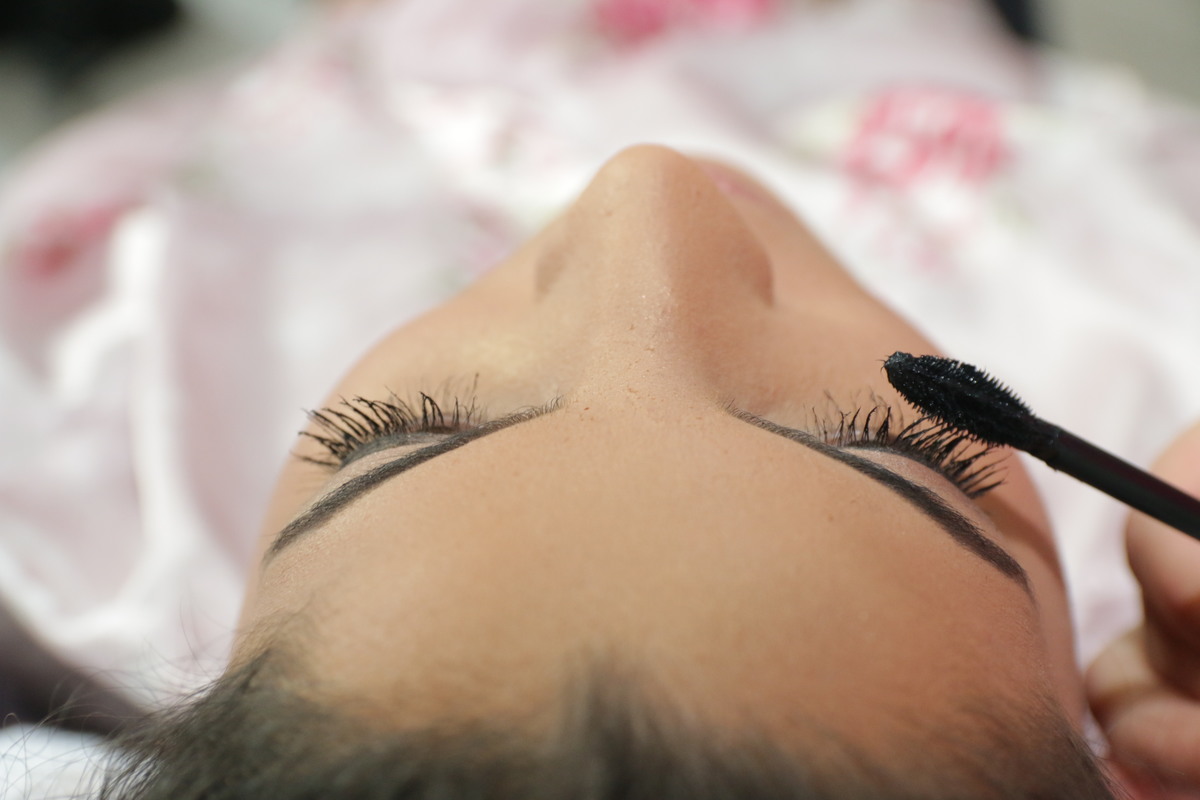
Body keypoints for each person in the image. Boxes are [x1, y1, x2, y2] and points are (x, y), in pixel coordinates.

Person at [1, 0, 1199, 797]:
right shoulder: (1155, 343)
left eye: (402, 435)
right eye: (892, 452)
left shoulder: (83, 461)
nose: (645, 195)